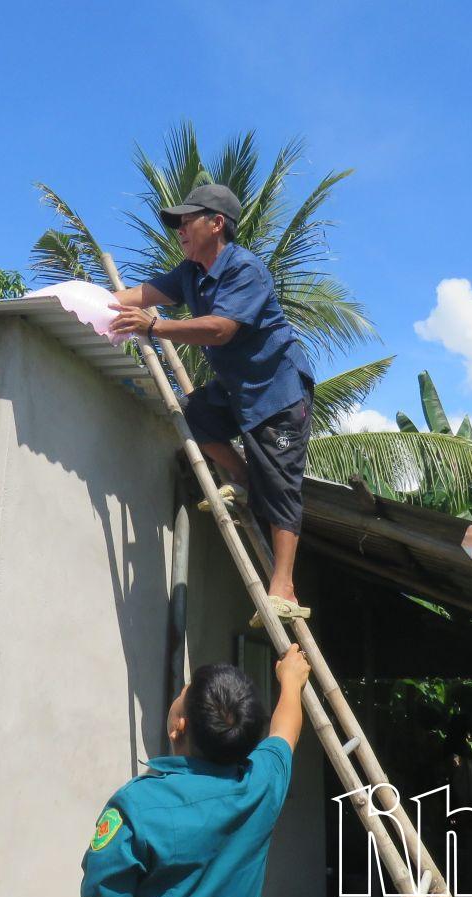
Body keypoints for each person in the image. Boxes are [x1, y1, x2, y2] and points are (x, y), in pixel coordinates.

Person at [109, 184, 315, 626]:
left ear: (216, 223)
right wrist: (83, 300)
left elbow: (221, 329)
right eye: (179, 223)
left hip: (278, 390)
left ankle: (284, 586)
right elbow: (140, 295)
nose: (180, 229)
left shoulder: (246, 270)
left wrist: (156, 328)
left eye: (188, 220)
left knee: (280, 484)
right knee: (193, 414)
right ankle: (240, 476)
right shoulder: (189, 273)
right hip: (237, 388)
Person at [57, 645, 312, 897]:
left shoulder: (137, 808)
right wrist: (291, 681)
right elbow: (286, 728)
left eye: (183, 693)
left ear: (179, 725)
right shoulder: (262, 784)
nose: (179, 695)